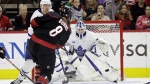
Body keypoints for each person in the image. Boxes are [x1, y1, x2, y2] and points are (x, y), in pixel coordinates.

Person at [10, 0, 55, 84]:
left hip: (46, 41)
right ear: (41, 6)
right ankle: (19, 79)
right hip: (34, 40)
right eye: (45, 5)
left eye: (48, 5)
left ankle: (49, 78)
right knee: (29, 62)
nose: (47, 7)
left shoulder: (52, 13)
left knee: (49, 61)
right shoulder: (36, 16)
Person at [28, 5, 72, 84]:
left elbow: (33, 22)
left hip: (32, 43)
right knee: (47, 73)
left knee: (39, 63)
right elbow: (60, 45)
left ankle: (38, 77)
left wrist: (40, 30)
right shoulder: (68, 31)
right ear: (70, 18)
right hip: (46, 49)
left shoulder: (53, 15)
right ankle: (41, 80)